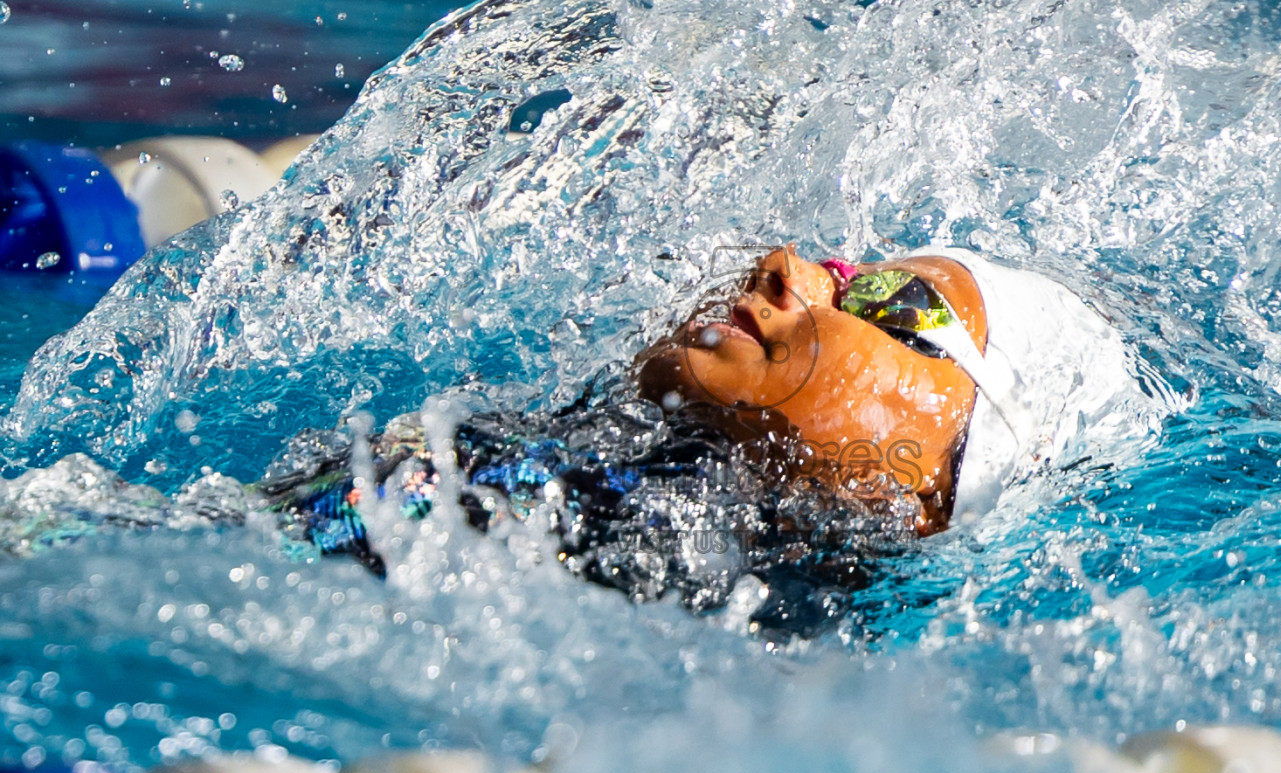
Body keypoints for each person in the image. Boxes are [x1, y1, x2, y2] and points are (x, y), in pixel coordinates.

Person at [260, 243, 1170, 630]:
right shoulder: (641, 475)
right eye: (848, 268)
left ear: (941, 487)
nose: (789, 270)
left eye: (887, 304)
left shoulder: (692, 556)